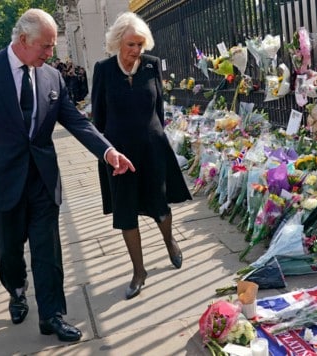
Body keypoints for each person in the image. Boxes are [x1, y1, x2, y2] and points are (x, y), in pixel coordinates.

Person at [0, 8, 135, 342]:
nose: (51, 54)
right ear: (23, 40)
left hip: (42, 179)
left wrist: (108, 151)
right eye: (45, 47)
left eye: (51, 47)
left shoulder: (51, 77)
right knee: (7, 248)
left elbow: (76, 121)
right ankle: (16, 289)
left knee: (48, 249)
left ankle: (52, 315)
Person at [91, 12, 192, 300]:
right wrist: (106, 152)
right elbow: (98, 117)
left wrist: (157, 136)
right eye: (130, 44)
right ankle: (139, 271)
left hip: (151, 148)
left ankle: (169, 240)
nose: (135, 51)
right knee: (126, 213)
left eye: (140, 44)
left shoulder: (151, 65)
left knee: (159, 204)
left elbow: (158, 106)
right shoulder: (104, 70)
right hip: (119, 155)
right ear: (117, 42)